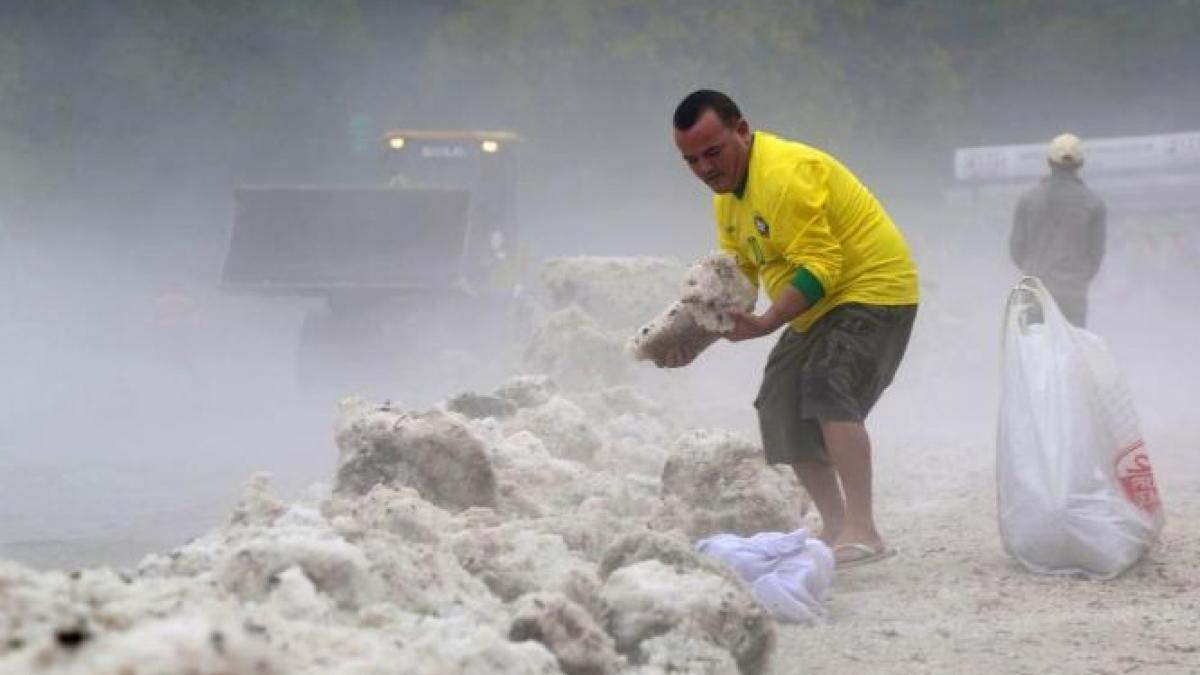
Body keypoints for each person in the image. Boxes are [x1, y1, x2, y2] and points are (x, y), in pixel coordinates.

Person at [660, 89, 920, 568]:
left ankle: (864, 528)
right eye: (691, 160)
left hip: (873, 289)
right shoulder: (727, 202)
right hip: (816, 307)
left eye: (713, 153)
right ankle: (837, 524)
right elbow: (735, 280)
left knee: (826, 383)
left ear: (742, 130)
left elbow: (823, 264)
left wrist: (766, 323)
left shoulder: (783, 177)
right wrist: (692, 338)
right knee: (778, 402)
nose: (705, 169)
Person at [1009, 133, 1107, 327]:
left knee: (1035, 347)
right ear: (1081, 164)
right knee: (1071, 349)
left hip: (1036, 289)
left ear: (1048, 161)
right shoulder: (1094, 203)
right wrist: (1077, 278)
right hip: (1073, 292)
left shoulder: (1028, 200)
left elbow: (1016, 250)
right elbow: (1096, 254)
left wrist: (1034, 269)